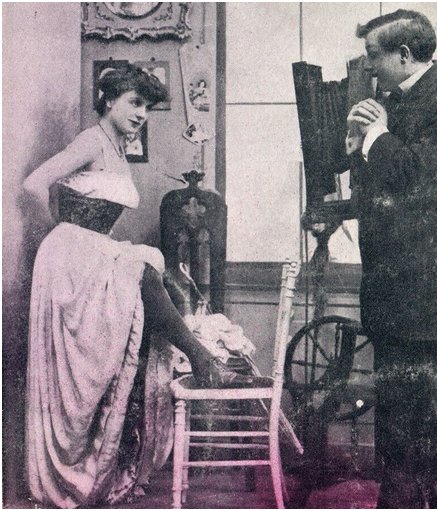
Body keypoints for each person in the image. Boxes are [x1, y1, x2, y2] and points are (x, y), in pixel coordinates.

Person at [23, 64, 255, 508]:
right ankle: (202, 360)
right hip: (71, 257)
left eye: (147, 107)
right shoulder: (90, 140)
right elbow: (34, 184)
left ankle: (195, 361)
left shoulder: (118, 146)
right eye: (134, 102)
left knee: (156, 273)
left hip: (90, 254)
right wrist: (59, 235)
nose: (141, 113)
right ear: (109, 99)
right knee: (145, 270)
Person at [346, 10, 437, 508]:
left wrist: (375, 138)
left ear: (404, 55)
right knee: (395, 423)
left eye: (374, 56)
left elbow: (419, 180)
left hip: (435, 294)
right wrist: (355, 148)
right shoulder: (389, 103)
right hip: (393, 290)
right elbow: (379, 191)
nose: (368, 68)